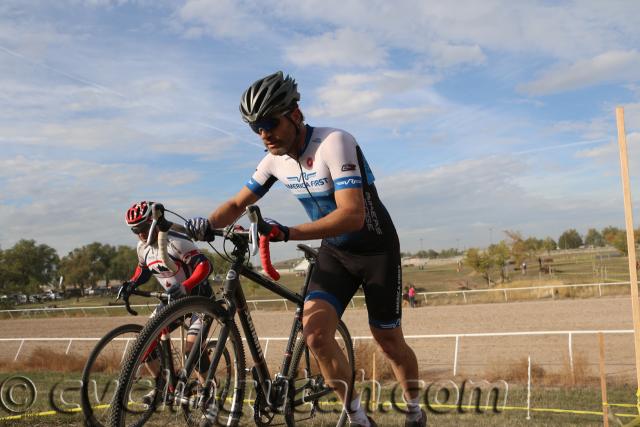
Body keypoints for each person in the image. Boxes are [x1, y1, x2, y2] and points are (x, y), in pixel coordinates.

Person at [186, 71, 426, 427]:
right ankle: (360, 420)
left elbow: (352, 214)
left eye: (270, 123)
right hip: (336, 252)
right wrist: (205, 223)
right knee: (315, 336)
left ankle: (414, 410)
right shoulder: (273, 162)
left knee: (388, 341)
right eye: (256, 128)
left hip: (376, 251)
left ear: (295, 114)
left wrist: (287, 231)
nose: (264, 134)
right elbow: (237, 203)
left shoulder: (335, 142)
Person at [119, 201, 214, 398]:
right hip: (172, 301)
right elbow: (143, 271)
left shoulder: (176, 241)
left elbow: (205, 266)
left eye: (143, 228)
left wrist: (186, 286)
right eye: (134, 231)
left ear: (154, 222)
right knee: (143, 343)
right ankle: (164, 384)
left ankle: (208, 392)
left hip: (199, 300)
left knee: (192, 350)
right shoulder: (142, 247)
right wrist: (131, 283)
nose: (140, 234)